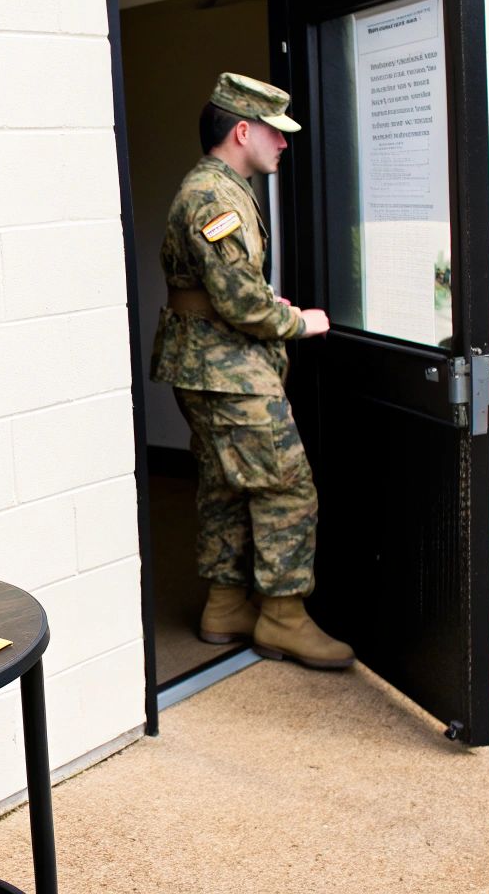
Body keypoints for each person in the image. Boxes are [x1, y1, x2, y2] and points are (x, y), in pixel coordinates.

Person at [149, 72, 355, 670]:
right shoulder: (214, 196)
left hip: (212, 363)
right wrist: (299, 323)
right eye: (275, 132)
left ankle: (225, 605)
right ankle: (285, 620)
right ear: (243, 130)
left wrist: (269, 310)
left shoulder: (221, 187)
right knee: (287, 486)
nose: (285, 143)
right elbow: (240, 300)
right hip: (224, 370)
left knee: (227, 484)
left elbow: (226, 290)